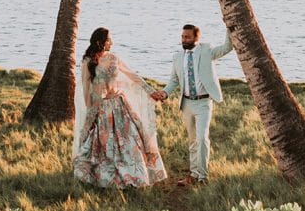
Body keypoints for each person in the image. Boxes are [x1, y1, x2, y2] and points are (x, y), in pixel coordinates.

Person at [73, 27, 167, 188]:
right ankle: (107, 177)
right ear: (99, 42)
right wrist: (91, 112)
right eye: (109, 40)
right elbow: (85, 87)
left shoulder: (114, 58)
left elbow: (132, 75)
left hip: (119, 105)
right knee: (105, 145)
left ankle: (136, 175)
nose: (112, 42)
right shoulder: (88, 62)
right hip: (102, 108)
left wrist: (151, 91)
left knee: (130, 141)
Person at [151, 23, 233, 185]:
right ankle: (193, 175)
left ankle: (203, 177)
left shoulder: (207, 50)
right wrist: (165, 93)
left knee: (202, 139)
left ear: (197, 37)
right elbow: (174, 81)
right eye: (182, 36)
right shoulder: (177, 57)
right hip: (187, 103)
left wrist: (229, 26)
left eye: (187, 37)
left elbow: (227, 47)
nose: (184, 39)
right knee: (193, 141)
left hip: (203, 102)